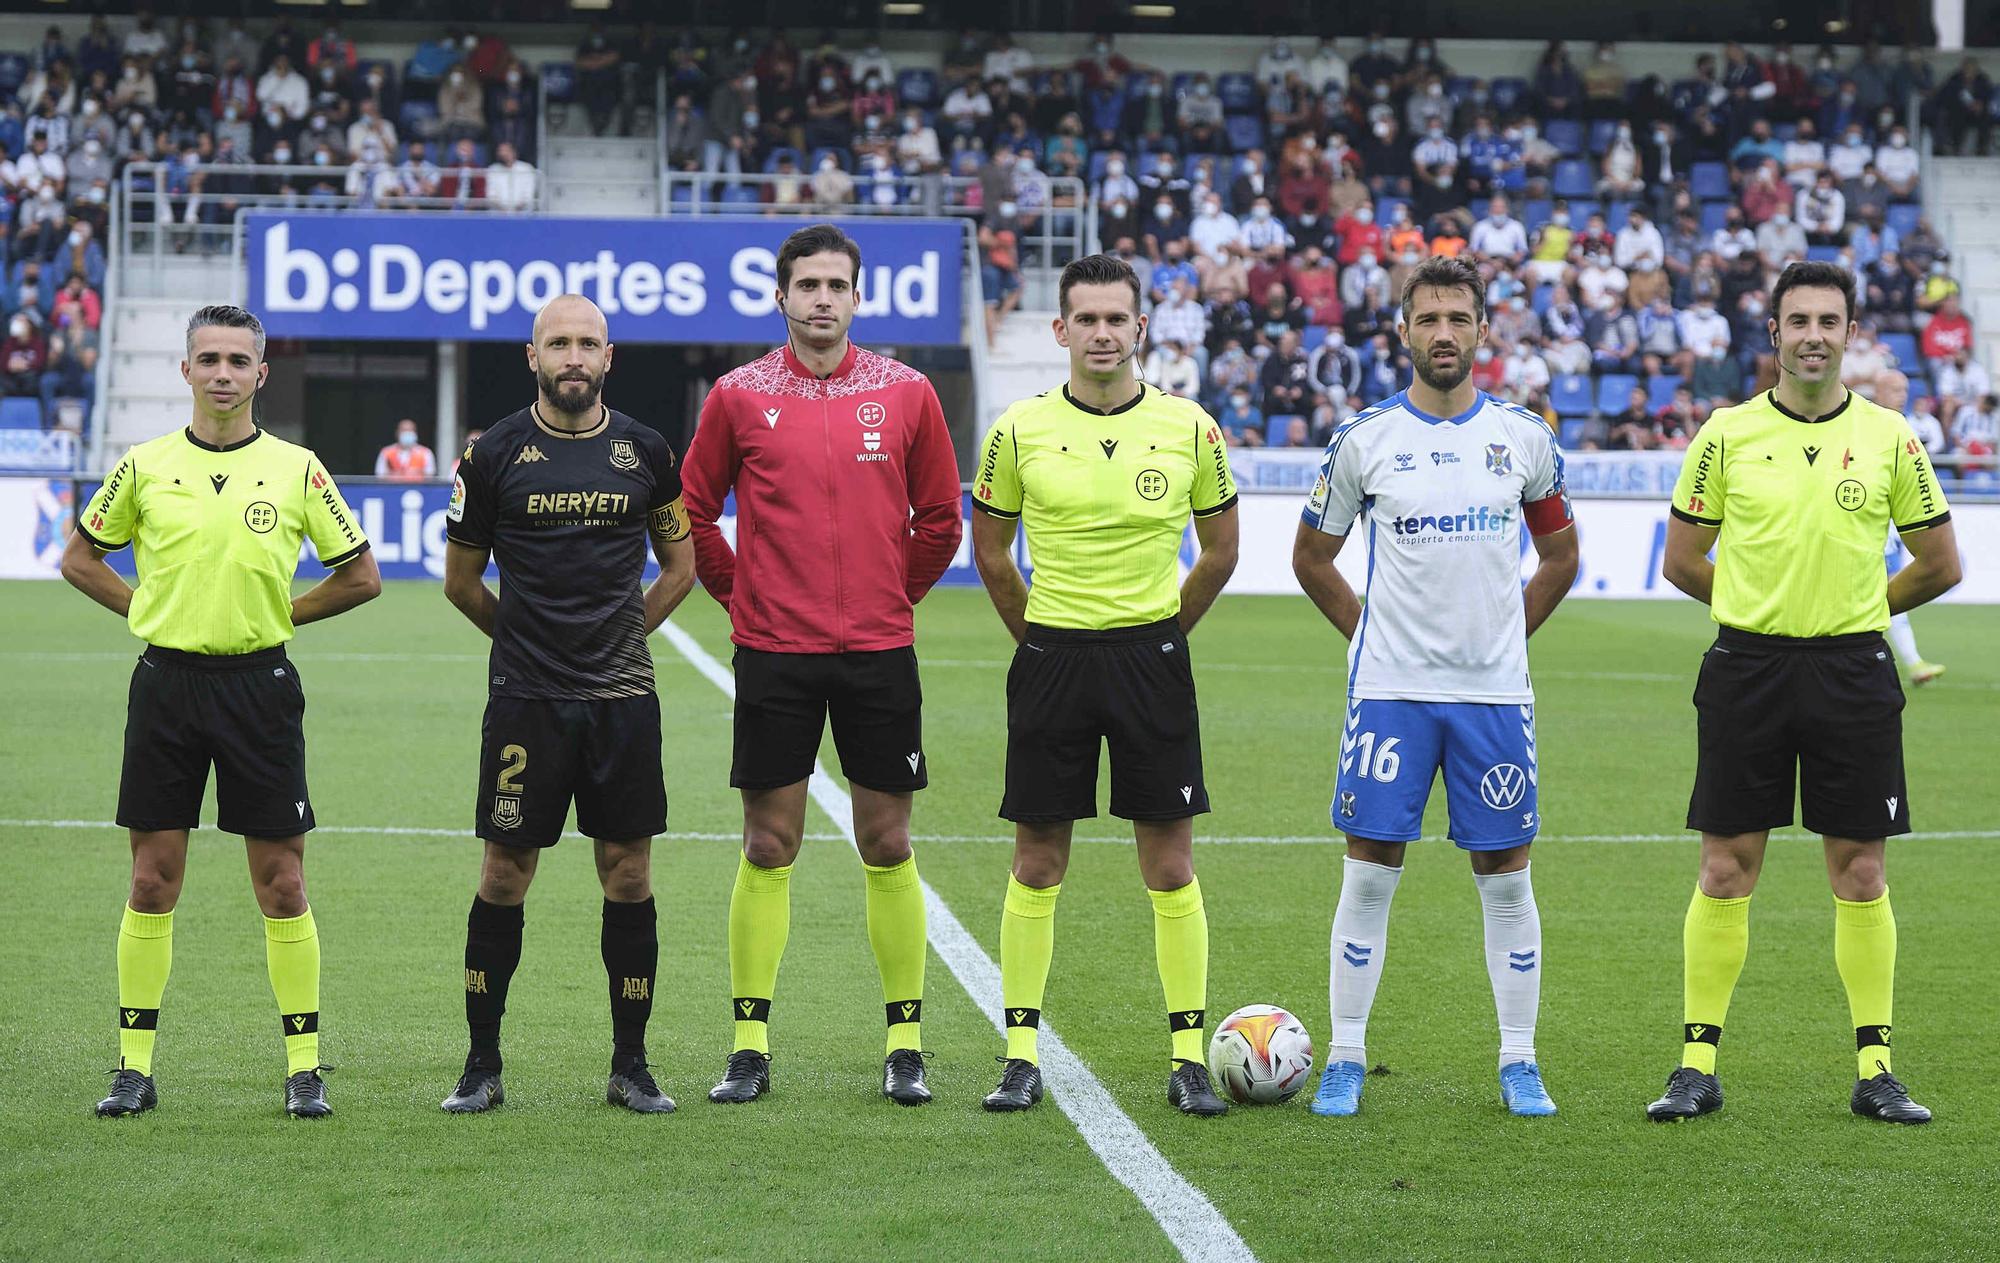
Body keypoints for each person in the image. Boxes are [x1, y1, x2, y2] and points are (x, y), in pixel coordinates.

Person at [1651, 262, 1961, 1125]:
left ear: (1851, 332)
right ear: (1775, 334)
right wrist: (1760, 610)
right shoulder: (1726, 432)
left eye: (1831, 320)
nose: (1815, 335)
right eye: (1800, 321)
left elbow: (1941, 563)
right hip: (1747, 668)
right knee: (1724, 867)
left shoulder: (1894, 436)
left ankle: (1876, 1069)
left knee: (1860, 873)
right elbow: (1683, 558)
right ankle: (1695, 1066)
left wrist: (1862, 609)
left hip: (1853, 671)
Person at [61, 305, 381, 1119]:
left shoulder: (298, 468)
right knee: (151, 878)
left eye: (240, 359)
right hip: (164, 687)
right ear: (186, 370)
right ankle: (134, 1066)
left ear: (261, 373)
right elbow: (79, 557)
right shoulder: (143, 464)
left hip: (260, 688)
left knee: (281, 882)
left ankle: (303, 1068)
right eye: (209, 358)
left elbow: (360, 574)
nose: (224, 373)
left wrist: (281, 615)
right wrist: (144, 610)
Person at [681, 224, 962, 1108]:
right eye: (807, 285)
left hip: (879, 651)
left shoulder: (909, 393)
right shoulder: (736, 395)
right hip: (774, 654)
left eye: (837, 284)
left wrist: (889, 597)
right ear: (781, 296)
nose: (823, 299)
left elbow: (941, 519)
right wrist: (744, 598)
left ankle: (906, 1043)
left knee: (889, 842)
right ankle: (750, 1044)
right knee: (770, 842)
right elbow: (692, 513)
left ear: (856, 296)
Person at [1292, 256, 1579, 1119]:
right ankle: (1344, 1055)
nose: (1444, 333)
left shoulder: (1525, 438)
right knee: (1371, 870)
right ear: (1405, 331)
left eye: (1460, 318)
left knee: (1505, 875)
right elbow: (1312, 558)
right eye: (1429, 319)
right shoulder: (1364, 438)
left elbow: (1561, 557)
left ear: (1483, 330)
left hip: (1494, 697)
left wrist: (1504, 635)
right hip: (1390, 693)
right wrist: (1370, 633)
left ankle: (1519, 1059)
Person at [969, 253, 1240, 1117]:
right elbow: (991, 551)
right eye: (1085, 318)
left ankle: (1189, 1056)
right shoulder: (1017, 429)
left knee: (1168, 862)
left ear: (1140, 328)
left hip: (1149, 660)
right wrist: (1039, 636)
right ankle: (1019, 1054)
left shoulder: (1191, 426)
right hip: (1053, 657)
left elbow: (1222, 549)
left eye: (1116, 318)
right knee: (1038, 858)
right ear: (1060, 330)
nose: (1101, 332)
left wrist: (1163, 636)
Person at [438, 295, 697, 1115]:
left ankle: (632, 1063)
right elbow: (460, 580)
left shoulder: (648, 452)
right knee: (505, 873)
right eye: (559, 343)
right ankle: (482, 1063)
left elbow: (679, 565)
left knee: (628, 874)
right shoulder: (492, 455)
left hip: (623, 701)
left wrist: (623, 635)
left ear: (609, 357)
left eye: (588, 342)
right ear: (533, 356)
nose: (574, 356)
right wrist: (523, 646)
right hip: (527, 704)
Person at [1874, 369, 1947, 687]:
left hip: (1894, 518)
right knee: (1882, 590)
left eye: (1904, 389)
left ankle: (1909, 661)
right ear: (1878, 391)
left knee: (1886, 588)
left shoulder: (1909, 427)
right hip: (1868, 516)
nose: (1901, 395)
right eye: (1894, 389)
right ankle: (1911, 662)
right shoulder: (1865, 424)